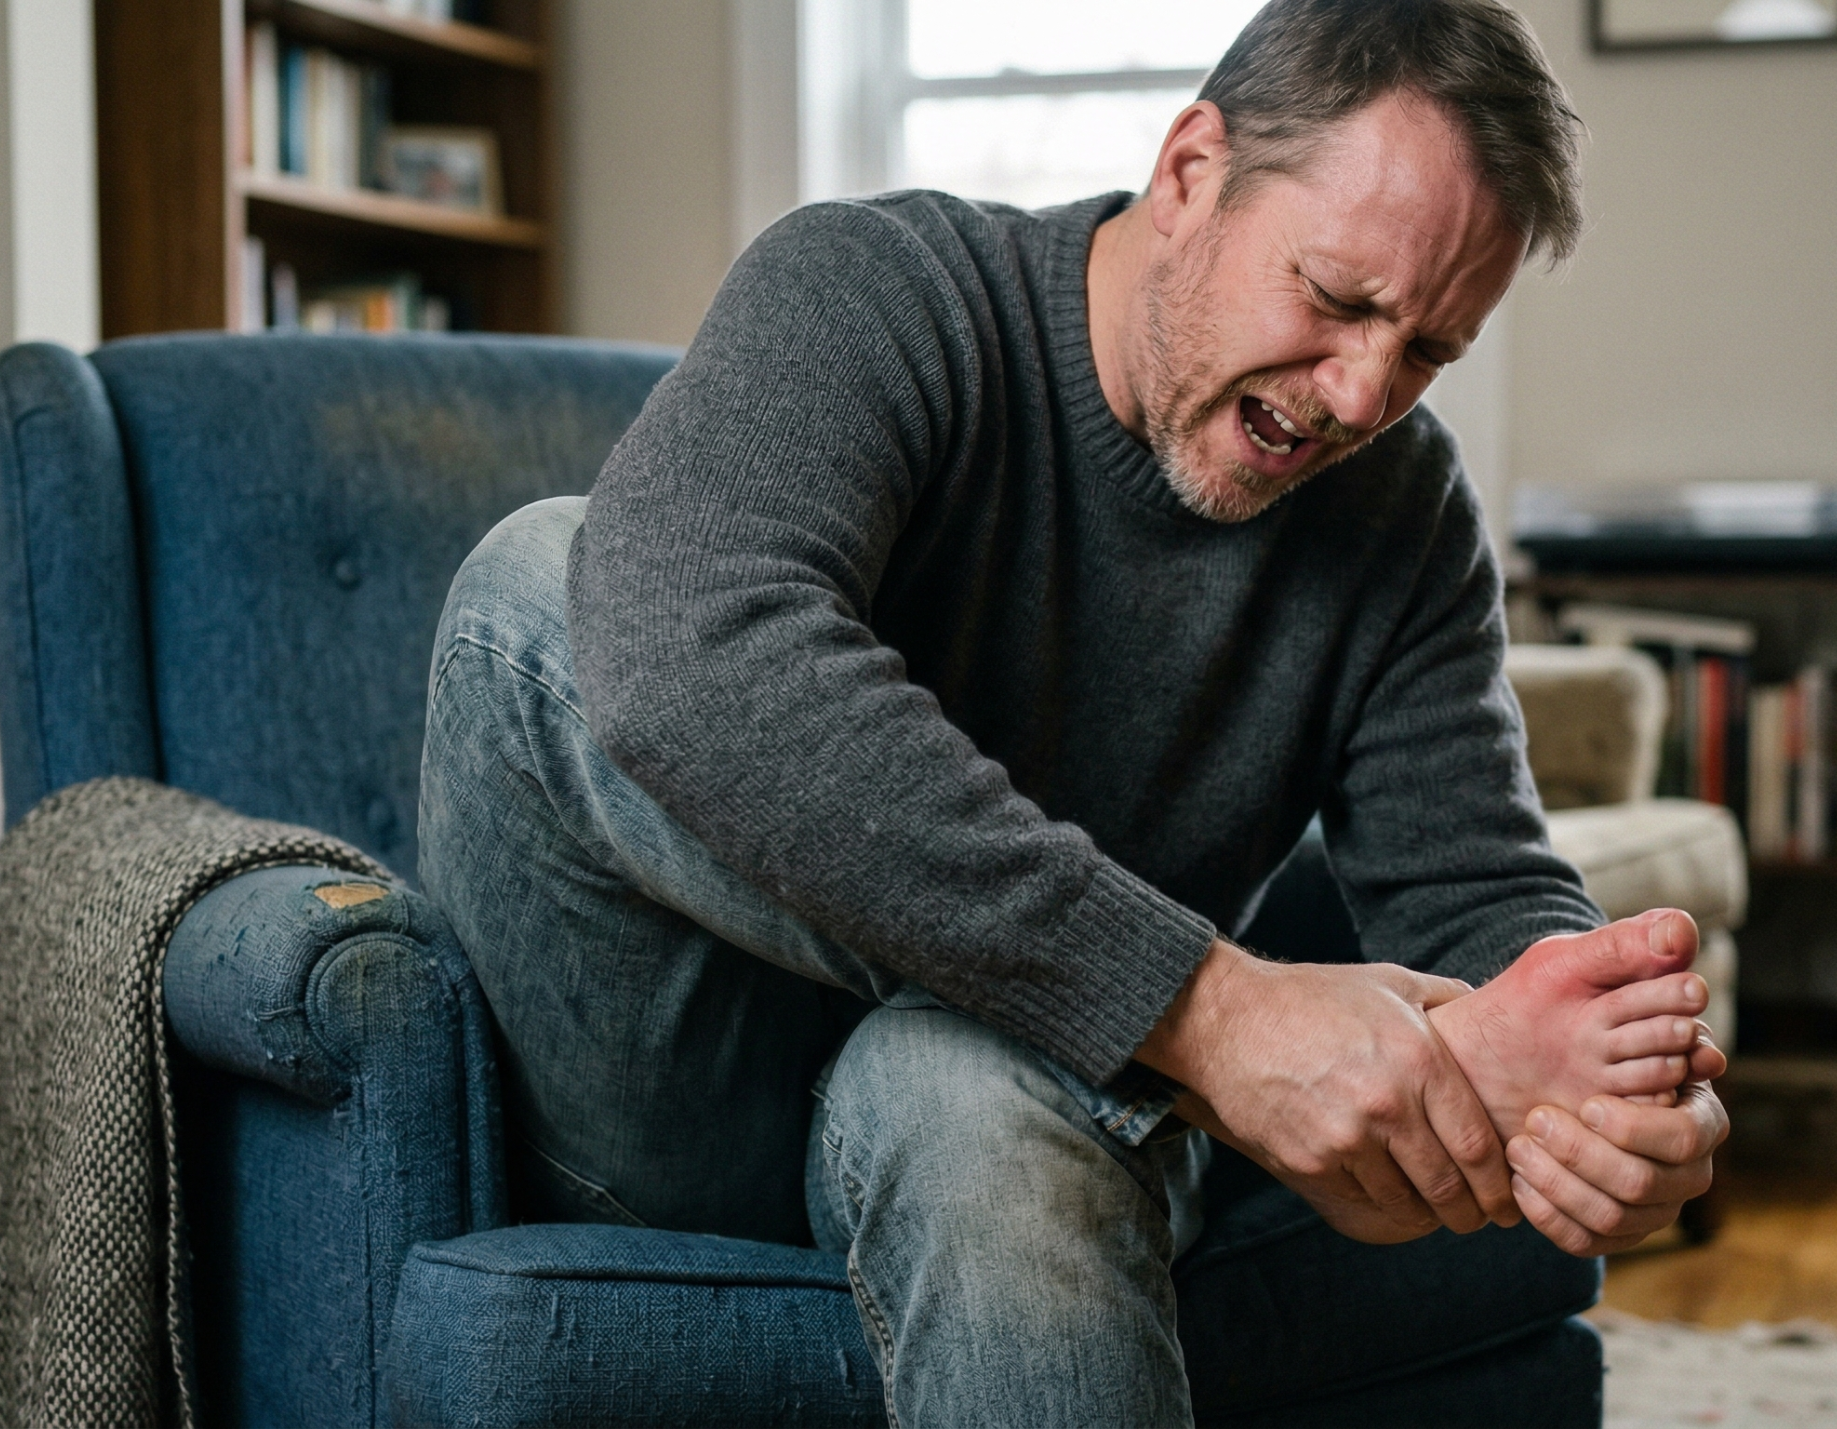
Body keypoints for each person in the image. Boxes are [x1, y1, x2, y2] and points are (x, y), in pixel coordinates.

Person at [419, 0, 1730, 1422]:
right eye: (1340, 299)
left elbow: (1476, 882)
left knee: (966, 1084)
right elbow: (690, 649)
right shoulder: (880, 288)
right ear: (1190, 174)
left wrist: (1605, 1084)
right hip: (681, 1107)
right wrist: (1220, 1021)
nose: (1364, 394)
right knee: (538, 581)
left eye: (1427, 352)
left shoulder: (1400, 512)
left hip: (1042, 1108)